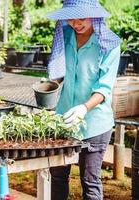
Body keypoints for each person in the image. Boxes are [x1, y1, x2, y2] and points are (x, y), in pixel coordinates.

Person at [46, 0, 121, 200]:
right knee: (58, 175)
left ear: (95, 15)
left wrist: (84, 108)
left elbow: (104, 88)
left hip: (94, 123)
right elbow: (60, 72)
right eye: (70, 17)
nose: (75, 23)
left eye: (81, 18)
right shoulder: (66, 36)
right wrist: (49, 84)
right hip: (64, 119)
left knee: (90, 180)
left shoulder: (109, 44)